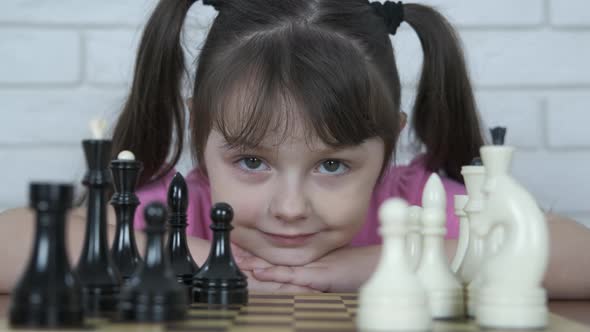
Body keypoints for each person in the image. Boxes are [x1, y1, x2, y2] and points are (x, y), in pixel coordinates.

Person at [1, 0, 589, 298]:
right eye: (251, 161)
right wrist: (208, 266)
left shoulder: (424, 203)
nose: (289, 207)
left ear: (386, 149)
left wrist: (380, 265)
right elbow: (15, 240)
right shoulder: (174, 209)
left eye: (333, 165)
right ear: (201, 137)